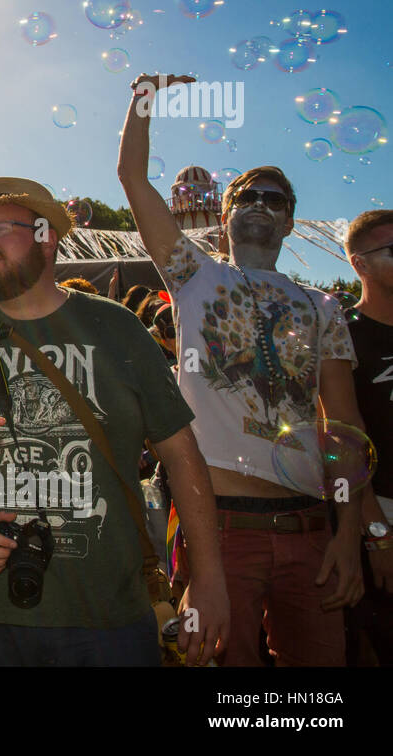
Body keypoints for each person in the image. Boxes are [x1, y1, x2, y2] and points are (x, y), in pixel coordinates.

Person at [0, 177, 229, 666]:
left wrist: (208, 576)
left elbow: (181, 455)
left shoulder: (116, 327)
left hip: (106, 617)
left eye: (0, 227)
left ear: (47, 235)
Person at [119, 74, 364, 666]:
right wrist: (144, 100)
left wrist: (352, 533)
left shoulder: (322, 305)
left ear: (288, 222)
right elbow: (132, 178)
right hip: (218, 527)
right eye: (246, 196)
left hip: (310, 526)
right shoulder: (195, 276)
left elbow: (344, 426)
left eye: (274, 199)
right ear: (223, 216)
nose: (259, 204)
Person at [343, 209, 393, 663]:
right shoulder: (343, 335)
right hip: (382, 518)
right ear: (359, 264)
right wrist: (377, 534)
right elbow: (344, 439)